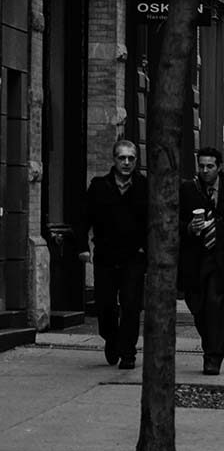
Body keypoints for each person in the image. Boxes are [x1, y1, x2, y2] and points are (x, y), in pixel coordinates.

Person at [179, 147, 224, 375]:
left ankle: (213, 357)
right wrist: (189, 228)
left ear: (219, 167)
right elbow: (175, 221)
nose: (205, 170)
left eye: (210, 166)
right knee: (198, 306)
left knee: (216, 306)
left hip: (221, 259)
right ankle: (209, 341)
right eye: (201, 166)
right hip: (195, 258)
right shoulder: (188, 190)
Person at [76, 139, 148, 370]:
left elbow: (152, 221)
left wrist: (146, 248)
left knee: (131, 305)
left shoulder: (144, 186)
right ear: (114, 159)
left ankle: (128, 352)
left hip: (133, 258)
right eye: (122, 158)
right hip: (106, 256)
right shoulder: (99, 186)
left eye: (131, 158)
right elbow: (83, 218)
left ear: (136, 161)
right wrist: (82, 247)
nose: (126, 162)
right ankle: (111, 338)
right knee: (105, 305)